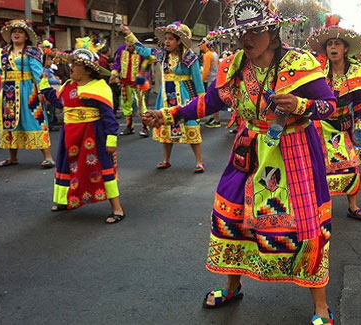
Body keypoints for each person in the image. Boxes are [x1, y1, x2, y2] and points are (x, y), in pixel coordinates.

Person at [141, 1, 337, 322]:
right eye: (241, 32)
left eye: (255, 31)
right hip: (249, 151)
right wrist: (169, 114)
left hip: (295, 153)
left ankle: (320, 306)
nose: (247, 38)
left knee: (307, 228)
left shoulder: (299, 63)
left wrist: (301, 104)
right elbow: (210, 101)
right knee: (232, 216)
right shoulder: (235, 65)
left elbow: (330, 105)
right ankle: (232, 286)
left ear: (273, 33)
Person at [40, 38, 125, 223]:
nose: (72, 67)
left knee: (103, 167)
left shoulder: (99, 88)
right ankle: (63, 200)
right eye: (72, 63)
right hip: (69, 134)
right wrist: (45, 87)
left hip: (92, 135)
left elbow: (109, 116)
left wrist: (111, 138)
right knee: (65, 165)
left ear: (88, 69)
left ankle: (117, 208)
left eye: (77, 64)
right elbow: (58, 103)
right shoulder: (68, 86)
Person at [306, 15, 361, 221]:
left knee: (351, 165)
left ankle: (353, 206)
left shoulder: (358, 72)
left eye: (337, 44)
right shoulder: (315, 72)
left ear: (345, 49)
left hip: (344, 125)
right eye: (330, 44)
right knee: (316, 167)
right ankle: (316, 207)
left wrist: (359, 126)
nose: (333, 47)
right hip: (318, 124)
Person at [0, 20, 54, 168]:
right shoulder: (3, 53)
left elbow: (39, 74)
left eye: (20, 32)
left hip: (29, 92)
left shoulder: (32, 52)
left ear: (26, 36)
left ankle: (48, 156)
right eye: (14, 32)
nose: (16, 34)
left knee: (35, 121)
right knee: (10, 124)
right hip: (9, 93)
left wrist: (45, 92)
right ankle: (12, 157)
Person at [120, 22, 206, 172]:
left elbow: (198, 81)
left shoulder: (189, 56)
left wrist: (202, 101)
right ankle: (166, 159)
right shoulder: (162, 54)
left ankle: (199, 161)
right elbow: (143, 50)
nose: (166, 41)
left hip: (184, 95)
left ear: (179, 40)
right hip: (166, 95)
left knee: (190, 126)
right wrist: (129, 34)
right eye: (166, 38)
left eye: (170, 39)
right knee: (164, 125)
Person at [110, 39, 149, 137]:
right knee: (126, 104)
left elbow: (146, 66)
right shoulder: (121, 50)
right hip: (125, 82)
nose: (130, 46)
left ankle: (145, 128)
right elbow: (117, 63)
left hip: (138, 83)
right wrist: (114, 73)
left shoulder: (141, 50)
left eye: (132, 44)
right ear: (125, 42)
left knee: (141, 105)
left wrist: (144, 79)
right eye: (128, 43)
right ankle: (129, 126)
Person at [201, 39, 221, 128]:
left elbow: (206, 70)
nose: (200, 46)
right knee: (214, 100)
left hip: (210, 81)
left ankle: (215, 120)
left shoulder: (207, 55)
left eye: (201, 44)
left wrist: (200, 81)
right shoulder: (215, 54)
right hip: (216, 79)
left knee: (211, 101)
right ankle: (215, 119)